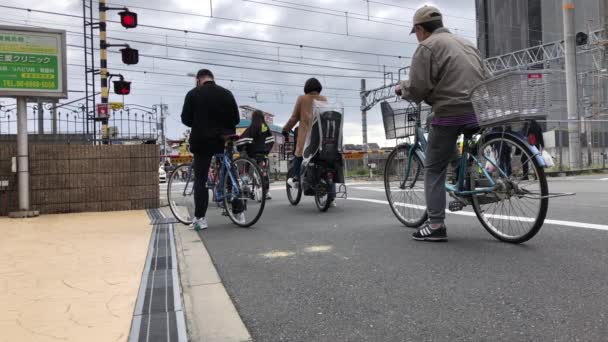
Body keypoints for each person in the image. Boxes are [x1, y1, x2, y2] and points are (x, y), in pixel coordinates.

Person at [395, 5, 488, 242]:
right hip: (479, 109)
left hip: (451, 111)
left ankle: (435, 225)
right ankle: (464, 173)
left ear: (419, 29)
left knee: (434, 168)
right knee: (444, 138)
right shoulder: (466, 43)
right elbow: (484, 75)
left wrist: (401, 88)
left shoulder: (427, 46)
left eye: (415, 32)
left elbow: (417, 88)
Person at [181, 69, 241, 230]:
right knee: (230, 174)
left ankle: (200, 218)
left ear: (198, 80)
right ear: (213, 78)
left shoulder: (193, 94)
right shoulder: (227, 93)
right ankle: (239, 211)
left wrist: (199, 121)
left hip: (203, 141)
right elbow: (236, 119)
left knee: (201, 180)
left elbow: (185, 119)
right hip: (224, 139)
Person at [282, 78, 337, 207]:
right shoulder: (324, 99)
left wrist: (285, 129)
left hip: (307, 140)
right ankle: (332, 197)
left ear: (306, 88)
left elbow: (294, 118)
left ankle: (295, 179)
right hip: (323, 139)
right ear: (319, 87)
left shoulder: (302, 99)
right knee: (327, 164)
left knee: (298, 156)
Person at [240, 110, 274, 199]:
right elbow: (271, 140)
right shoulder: (266, 128)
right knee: (264, 172)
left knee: (246, 169)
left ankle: (246, 188)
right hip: (263, 154)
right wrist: (266, 150)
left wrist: (240, 148)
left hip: (251, 155)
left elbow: (243, 140)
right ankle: (266, 192)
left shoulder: (251, 128)